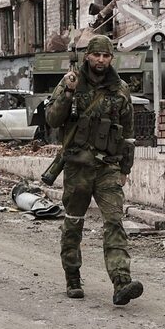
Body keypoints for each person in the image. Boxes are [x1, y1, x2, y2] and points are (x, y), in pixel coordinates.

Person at [45, 34, 144, 305]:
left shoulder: (120, 89)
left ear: (112, 58)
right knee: (74, 222)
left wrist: (125, 167)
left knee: (114, 221)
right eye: (96, 55)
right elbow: (52, 119)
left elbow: (129, 133)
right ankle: (73, 277)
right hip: (77, 167)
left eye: (106, 55)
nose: (101, 60)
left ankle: (121, 281)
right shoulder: (71, 81)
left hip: (107, 167)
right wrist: (68, 92)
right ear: (87, 55)